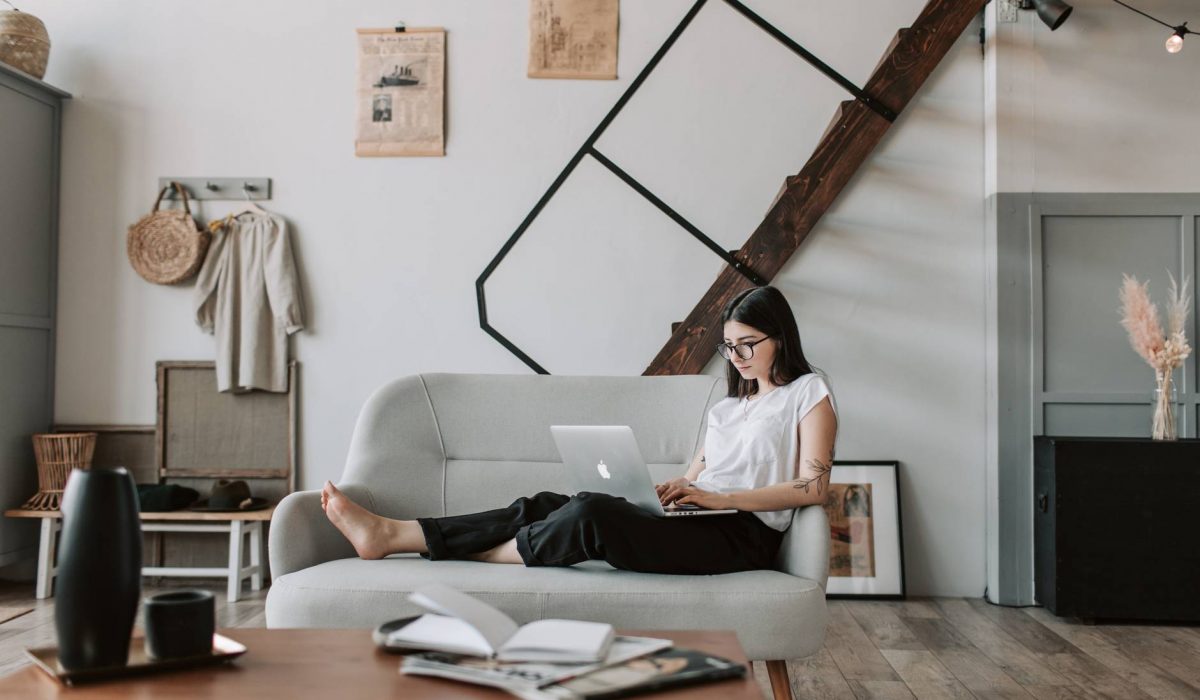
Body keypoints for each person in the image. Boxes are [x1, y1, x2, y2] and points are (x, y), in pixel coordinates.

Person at [321, 285, 838, 575]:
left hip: (740, 538)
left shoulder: (808, 393)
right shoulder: (728, 407)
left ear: (780, 336)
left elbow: (814, 488)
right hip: (696, 521)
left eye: (748, 343)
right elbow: (696, 474)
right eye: (729, 347)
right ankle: (393, 533)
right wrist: (674, 492)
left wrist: (720, 500)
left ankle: (479, 553)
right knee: (550, 502)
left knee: (589, 514)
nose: (737, 357)